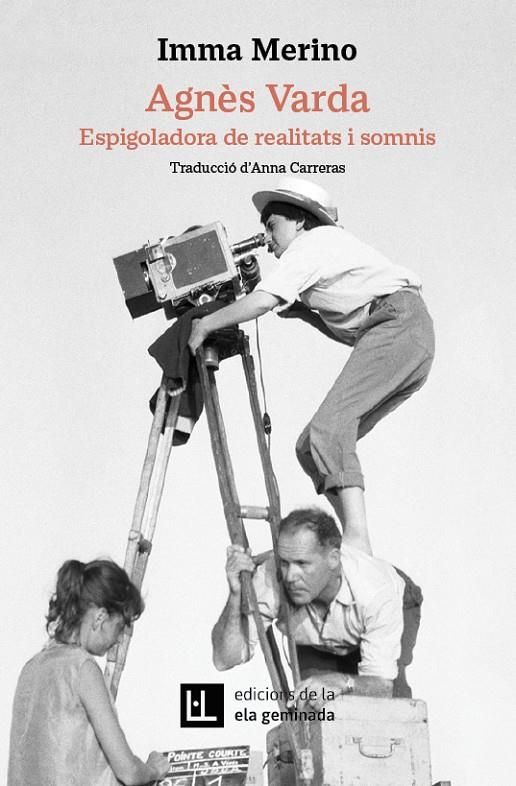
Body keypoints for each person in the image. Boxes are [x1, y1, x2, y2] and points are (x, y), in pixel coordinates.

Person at [189, 178, 435, 554]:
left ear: (301, 221)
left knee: (328, 430)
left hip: (400, 325)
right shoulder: (324, 254)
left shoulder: (311, 244)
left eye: (272, 226)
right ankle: (351, 538)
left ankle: (358, 539)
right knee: (309, 447)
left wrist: (206, 323)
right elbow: (357, 335)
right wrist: (306, 313)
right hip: (407, 335)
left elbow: (262, 301)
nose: (267, 238)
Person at [212, 508, 422, 708]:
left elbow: (382, 685)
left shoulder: (376, 592)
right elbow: (224, 659)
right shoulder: (271, 578)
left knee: (389, 708)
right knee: (312, 704)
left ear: (333, 559)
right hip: (318, 640)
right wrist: (235, 595)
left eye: (302, 564)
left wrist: (344, 682)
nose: (290, 576)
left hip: (394, 604)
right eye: (284, 562)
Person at [8, 559, 170, 786]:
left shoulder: (31, 668)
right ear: (100, 617)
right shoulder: (83, 668)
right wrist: (152, 769)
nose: (119, 639)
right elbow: (129, 772)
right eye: (120, 627)